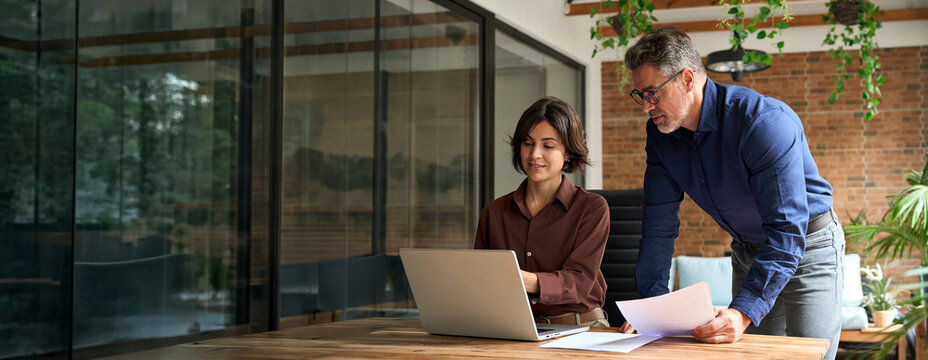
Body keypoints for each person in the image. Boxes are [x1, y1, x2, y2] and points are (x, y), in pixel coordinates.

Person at [617, 26, 844, 360]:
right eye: (641, 96)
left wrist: (743, 312)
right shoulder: (661, 134)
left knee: (811, 356)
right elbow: (658, 222)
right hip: (749, 253)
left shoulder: (762, 124)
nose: (646, 107)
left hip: (808, 249)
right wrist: (652, 309)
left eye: (653, 93)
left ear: (687, 80)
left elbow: (785, 230)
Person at [473, 96, 611, 328]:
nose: (535, 154)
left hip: (581, 330)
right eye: (528, 143)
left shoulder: (592, 208)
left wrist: (522, 280)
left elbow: (580, 282)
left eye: (548, 146)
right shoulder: (494, 212)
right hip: (514, 328)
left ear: (568, 153)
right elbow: (480, 281)